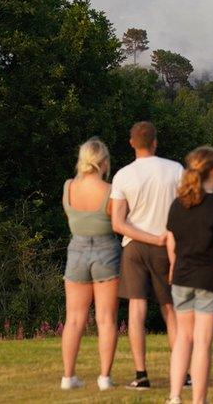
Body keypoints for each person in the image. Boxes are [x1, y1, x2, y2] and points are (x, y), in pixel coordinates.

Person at [110, 121, 184, 390]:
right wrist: (162, 238)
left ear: (132, 143)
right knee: (170, 309)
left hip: (134, 247)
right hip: (168, 244)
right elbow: (187, 209)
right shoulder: (175, 170)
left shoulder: (123, 175)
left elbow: (118, 223)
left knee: (137, 309)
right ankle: (183, 373)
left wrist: (146, 237)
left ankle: (141, 375)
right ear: (155, 142)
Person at [165, 146, 213, 404]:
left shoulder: (177, 205)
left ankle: (175, 396)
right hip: (211, 281)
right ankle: (198, 400)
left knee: (183, 339)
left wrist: (174, 270)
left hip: (182, 279)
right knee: (202, 342)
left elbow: (171, 244)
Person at [60, 137, 122, 391]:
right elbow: (118, 219)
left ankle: (68, 376)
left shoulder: (68, 187)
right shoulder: (110, 190)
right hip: (107, 250)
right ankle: (105, 377)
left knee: (74, 318)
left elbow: (71, 218)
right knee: (106, 319)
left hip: (76, 250)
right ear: (103, 162)